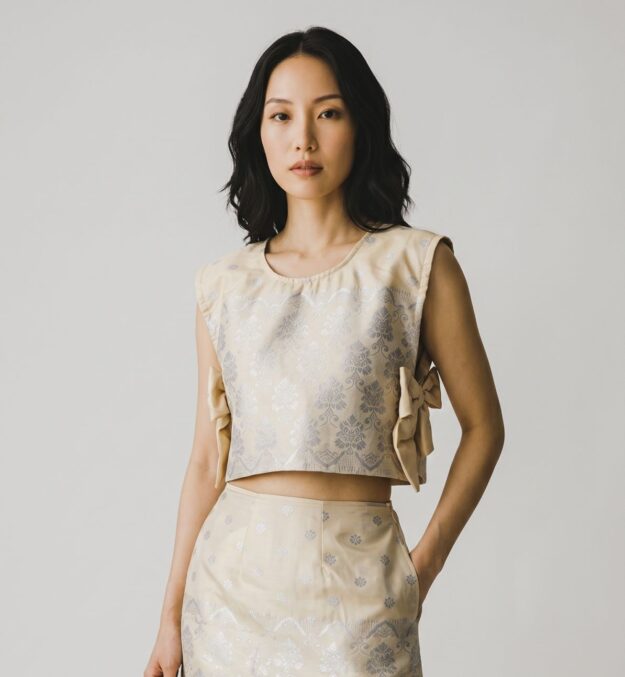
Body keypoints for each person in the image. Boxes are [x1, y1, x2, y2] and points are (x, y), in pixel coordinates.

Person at [144, 25, 504, 677]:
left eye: (328, 113)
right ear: (257, 132)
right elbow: (204, 463)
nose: (302, 139)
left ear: (360, 125)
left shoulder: (415, 265)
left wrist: (422, 568)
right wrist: (169, 621)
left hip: (361, 596)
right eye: (281, 116)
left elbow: (485, 428)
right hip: (227, 600)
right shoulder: (223, 286)